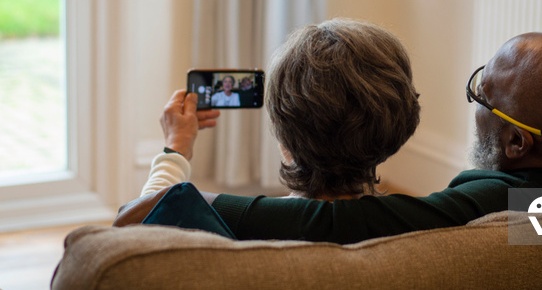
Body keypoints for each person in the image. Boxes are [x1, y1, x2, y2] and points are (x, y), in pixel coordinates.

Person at [116, 31, 542, 245]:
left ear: (517, 145)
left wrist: (176, 153)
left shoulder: (482, 213)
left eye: (481, 95)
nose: (475, 103)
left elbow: (135, 217)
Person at [139, 18, 421, 200]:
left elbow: (137, 223)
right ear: (401, 124)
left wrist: (176, 147)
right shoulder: (425, 219)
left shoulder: (228, 220)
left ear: (282, 135)